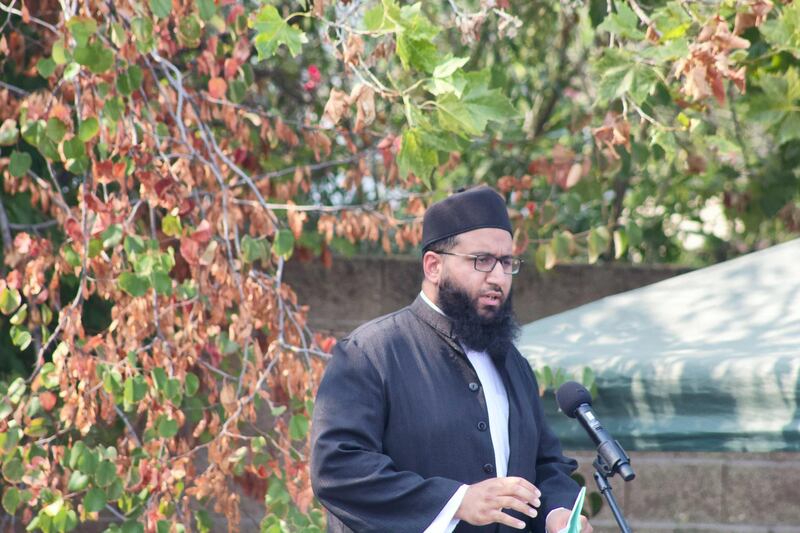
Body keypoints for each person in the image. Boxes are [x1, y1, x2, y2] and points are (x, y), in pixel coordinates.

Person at [311, 187, 592, 533]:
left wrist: (557, 514)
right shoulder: (370, 353)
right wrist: (457, 501)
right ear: (433, 265)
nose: (498, 278)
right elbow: (337, 468)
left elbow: (546, 464)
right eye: (482, 260)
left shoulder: (512, 363)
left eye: (506, 263)